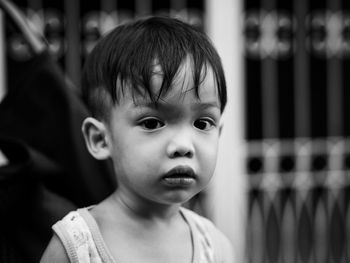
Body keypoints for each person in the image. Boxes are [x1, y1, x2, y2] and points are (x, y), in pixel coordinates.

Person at [40, 16, 233, 263]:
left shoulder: (216, 248)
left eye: (202, 123)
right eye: (152, 123)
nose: (184, 146)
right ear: (100, 139)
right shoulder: (76, 246)